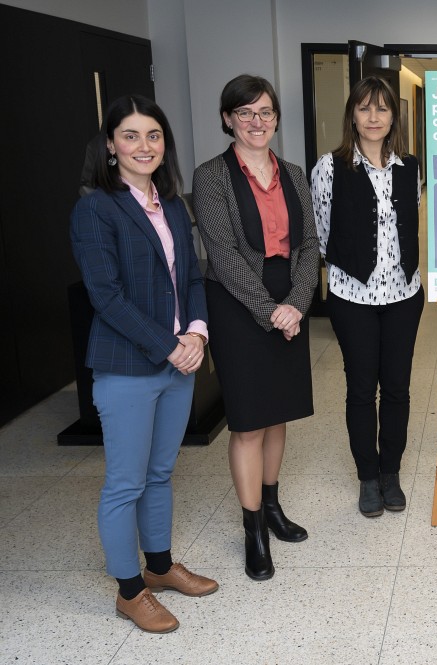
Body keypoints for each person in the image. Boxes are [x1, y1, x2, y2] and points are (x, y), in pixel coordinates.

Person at [70, 95, 218, 634]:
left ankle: (158, 567)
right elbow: (106, 297)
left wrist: (197, 333)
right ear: (111, 146)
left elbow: (194, 279)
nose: (143, 146)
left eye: (153, 135)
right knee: (125, 483)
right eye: (130, 136)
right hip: (128, 367)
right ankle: (129, 592)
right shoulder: (95, 208)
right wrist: (170, 345)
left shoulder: (173, 204)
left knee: (160, 473)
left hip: (178, 360)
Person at [193, 75, 318, 581]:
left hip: (291, 293)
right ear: (227, 119)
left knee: (278, 412)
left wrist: (297, 302)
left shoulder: (293, 173)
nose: (257, 122)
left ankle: (272, 506)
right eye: (245, 113)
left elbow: (309, 245)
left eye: (265, 112)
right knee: (247, 421)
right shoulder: (210, 176)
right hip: (236, 302)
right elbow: (223, 255)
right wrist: (271, 312)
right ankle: (253, 531)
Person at [311, 76, 424, 518]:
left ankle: (391, 472)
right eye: (364, 108)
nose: (373, 117)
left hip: (404, 295)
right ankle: (367, 477)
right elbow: (321, 233)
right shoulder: (330, 166)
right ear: (352, 116)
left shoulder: (409, 167)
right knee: (361, 389)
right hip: (352, 295)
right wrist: (352, 261)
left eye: (381, 109)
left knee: (397, 388)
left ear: (393, 116)